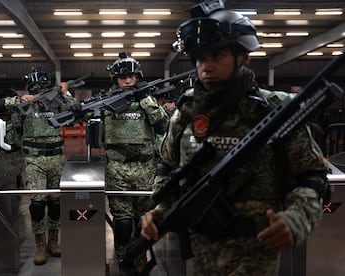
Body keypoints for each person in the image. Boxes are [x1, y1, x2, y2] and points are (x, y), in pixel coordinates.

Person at [140, 1, 330, 275]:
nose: (206, 66)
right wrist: (160, 208)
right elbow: (167, 168)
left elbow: (313, 176)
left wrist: (297, 219)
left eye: (217, 56)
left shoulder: (274, 110)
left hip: (256, 251)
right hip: (199, 249)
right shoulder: (187, 111)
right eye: (200, 57)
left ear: (244, 56)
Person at [0, 67, 79, 265]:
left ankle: (54, 241)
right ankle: (40, 245)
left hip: (57, 157)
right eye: (34, 87)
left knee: (56, 203)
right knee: (38, 205)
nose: (38, 89)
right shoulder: (24, 105)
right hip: (33, 160)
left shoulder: (56, 102)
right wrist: (20, 100)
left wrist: (65, 92)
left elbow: (75, 112)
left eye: (41, 86)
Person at [103, 52, 168, 274]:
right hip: (117, 168)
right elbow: (83, 115)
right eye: (122, 78)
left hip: (145, 168)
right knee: (122, 224)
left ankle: (139, 257)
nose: (127, 81)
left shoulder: (147, 100)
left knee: (143, 221)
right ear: (115, 80)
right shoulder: (106, 103)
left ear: (137, 76)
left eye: (131, 76)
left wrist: (146, 100)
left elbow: (162, 126)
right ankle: (123, 260)